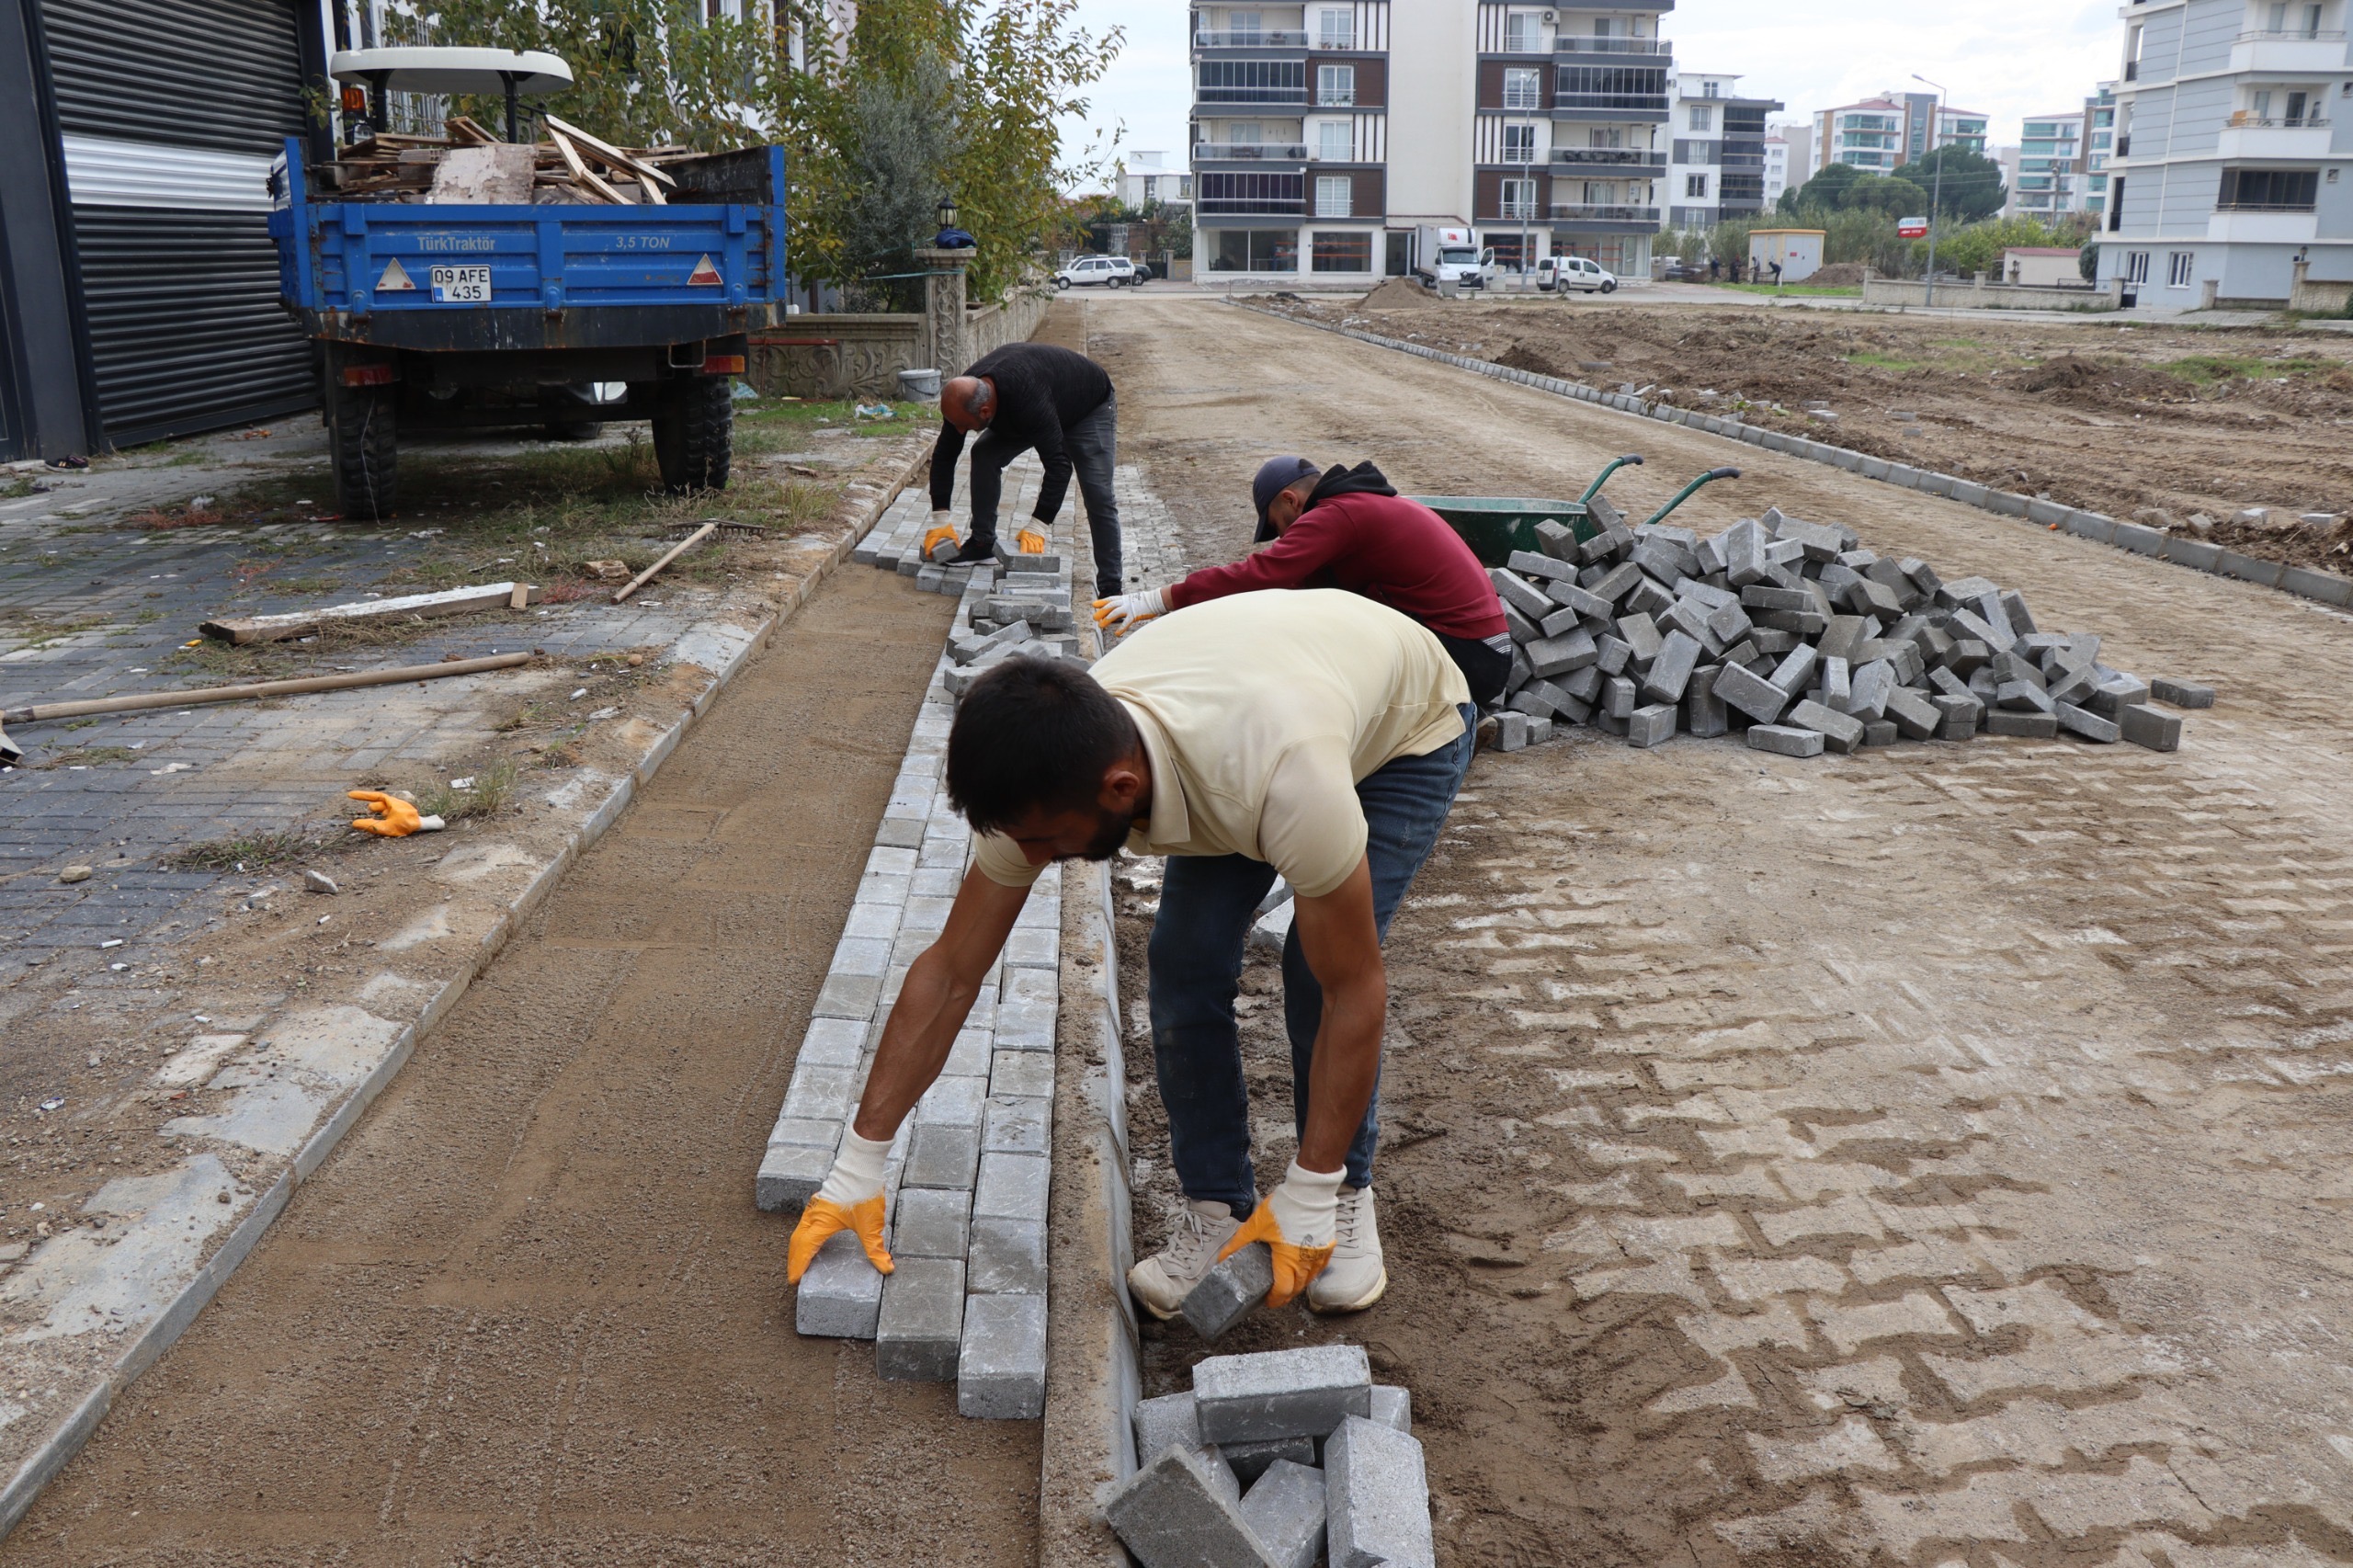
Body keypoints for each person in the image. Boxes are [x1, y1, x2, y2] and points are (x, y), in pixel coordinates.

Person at [785, 591, 1477, 1318]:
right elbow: (954, 971)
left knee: (1318, 968)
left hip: (1404, 723)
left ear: (1122, 789)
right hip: (1262, 691)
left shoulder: (1284, 780)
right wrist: (857, 1165)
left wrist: (1311, 1182)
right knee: (1183, 961)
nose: (1034, 861)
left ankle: (1339, 1198)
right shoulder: (1044, 780)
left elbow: (1354, 992)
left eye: (1049, 844)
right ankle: (1218, 1213)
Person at [1091, 457, 1512, 706]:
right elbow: (1288, 589)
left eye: (1278, 528)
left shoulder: (1339, 513)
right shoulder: (1358, 508)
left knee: (1320, 657)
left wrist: (1160, 599)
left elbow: (1267, 573)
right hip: (1479, 651)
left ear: (1290, 501)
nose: (1282, 539)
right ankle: (1451, 717)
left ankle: (1440, 727)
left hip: (1467, 658)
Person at [923, 342, 1124, 597]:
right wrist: (940, 519)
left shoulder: (1027, 397)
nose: (960, 431)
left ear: (985, 411)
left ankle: (1111, 587)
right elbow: (944, 454)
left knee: (1098, 494)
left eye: (964, 426)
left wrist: (1038, 524)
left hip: (1087, 408)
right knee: (984, 453)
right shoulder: (965, 396)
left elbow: (1059, 465)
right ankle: (983, 543)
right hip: (1037, 406)